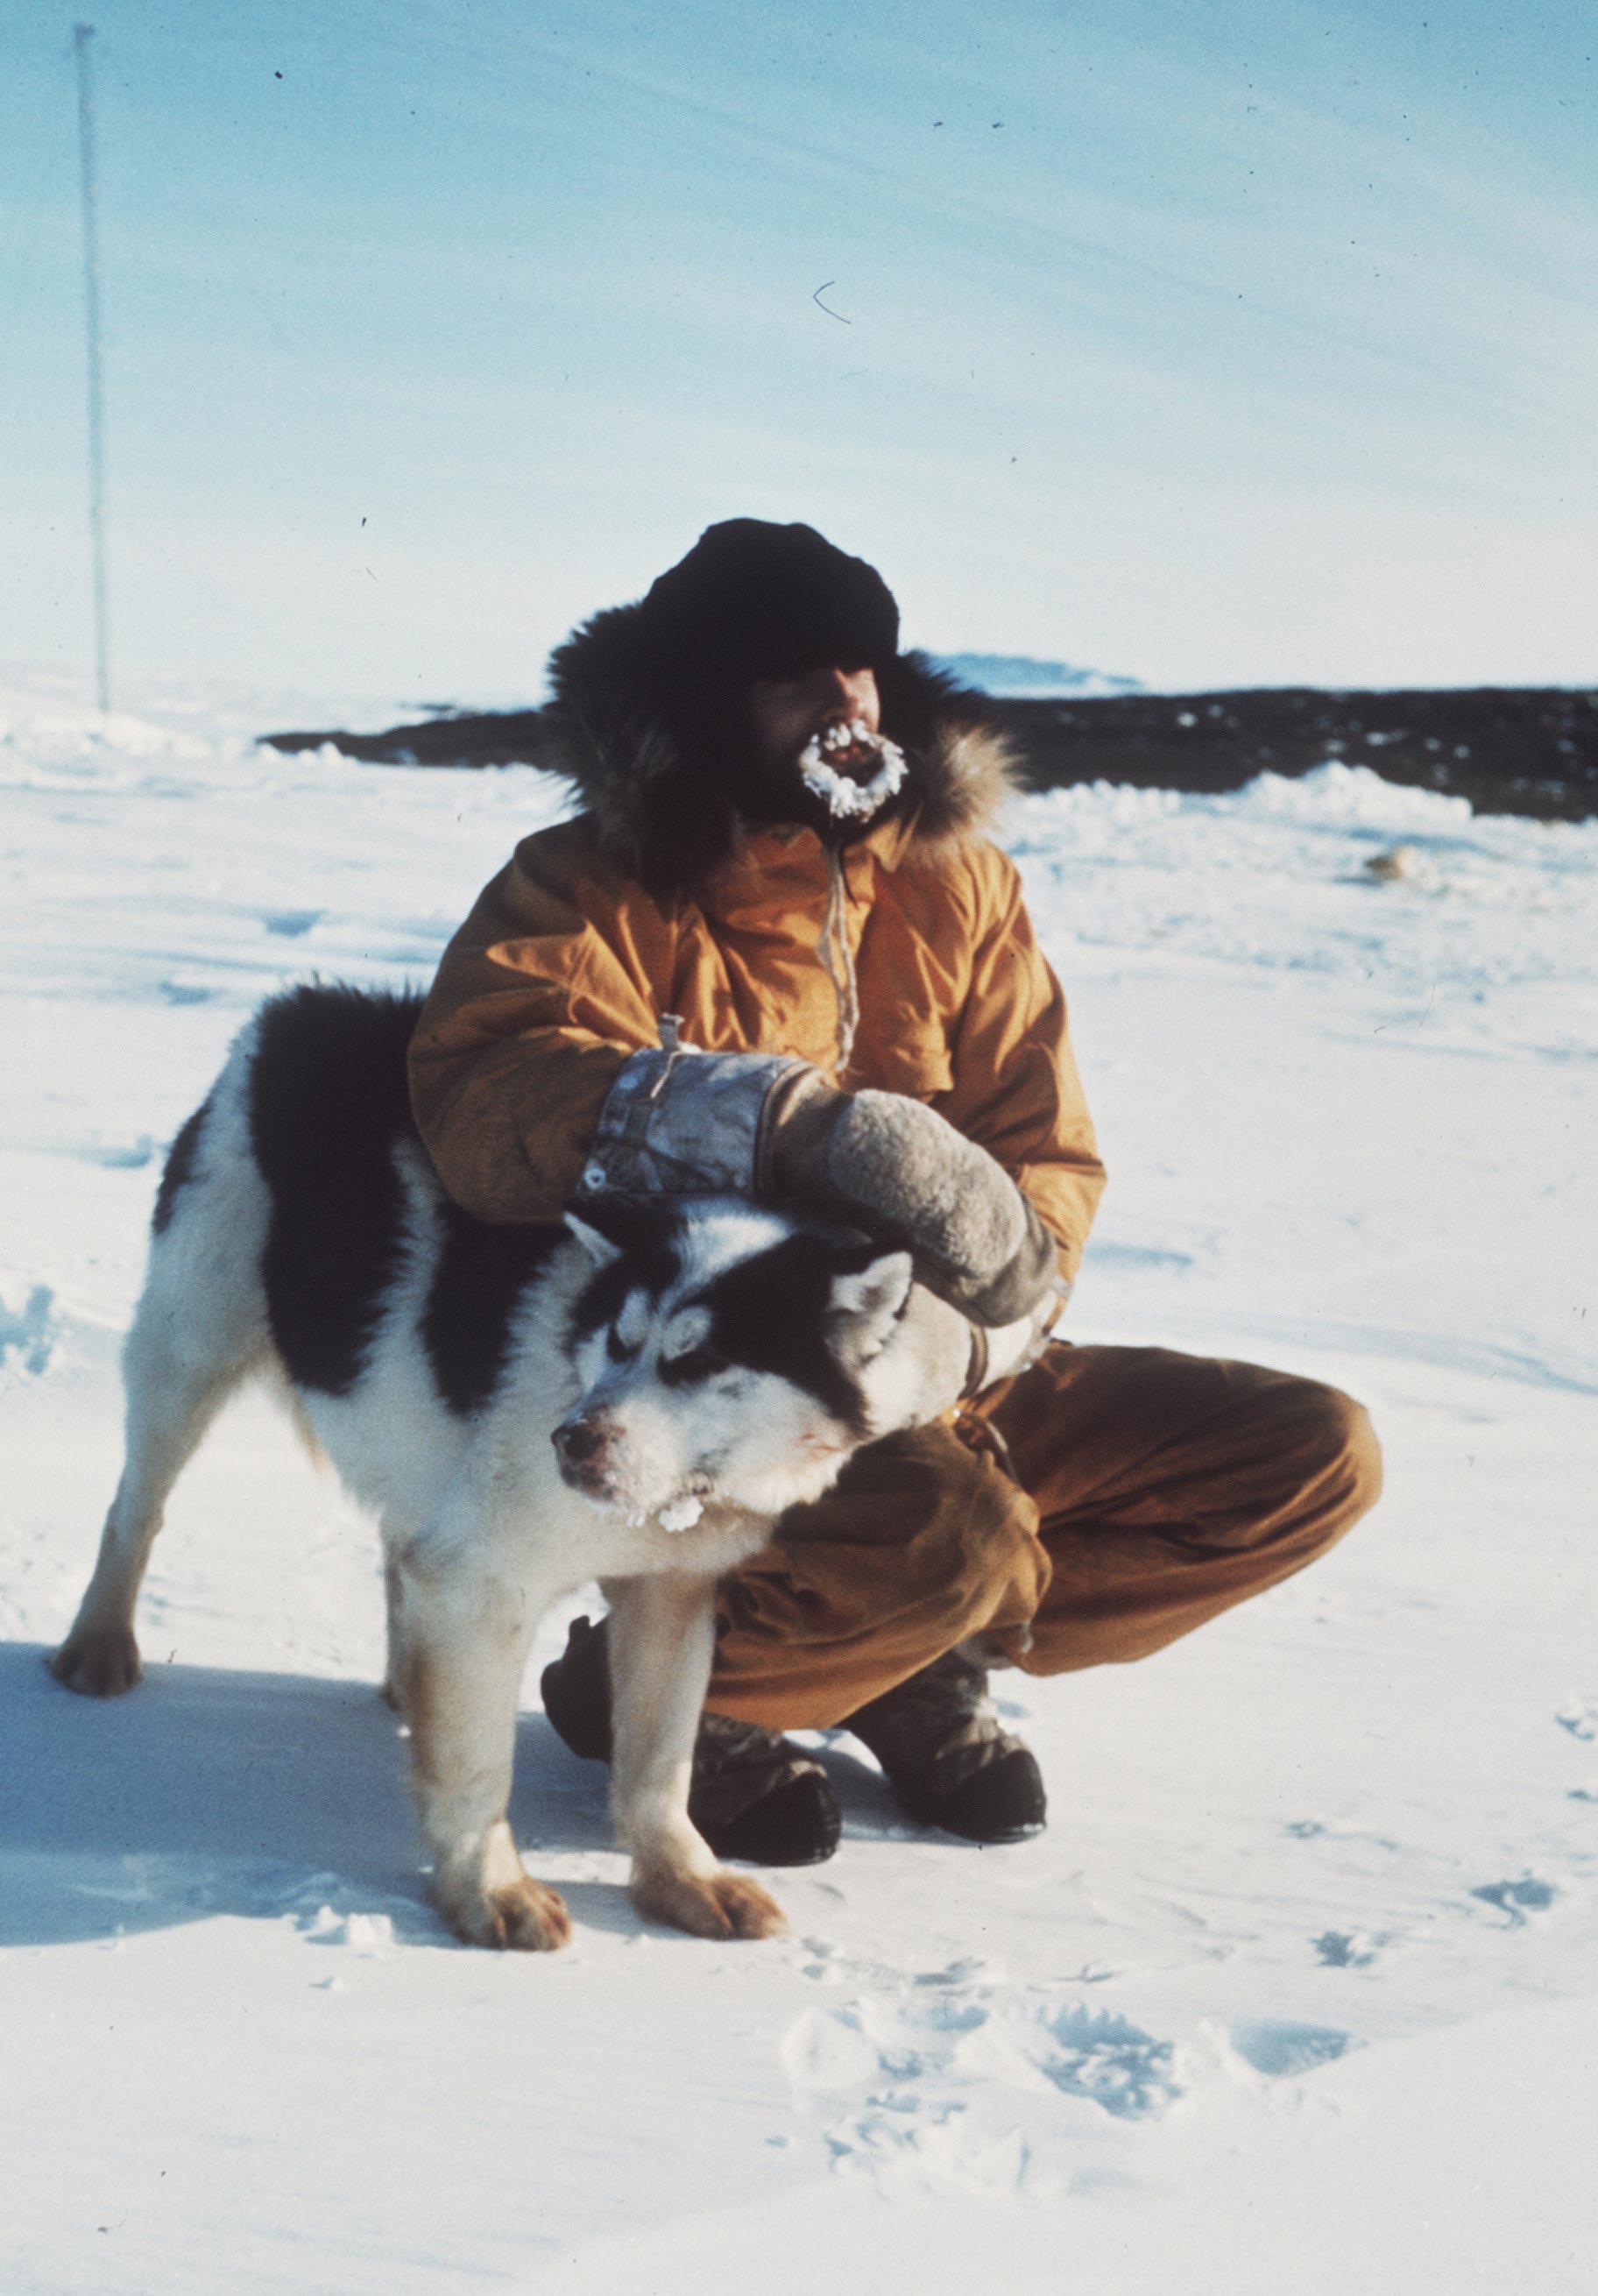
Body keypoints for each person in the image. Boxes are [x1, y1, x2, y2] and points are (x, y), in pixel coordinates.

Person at [407, 519, 1382, 1867]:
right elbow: (486, 1097)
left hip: (945, 1367)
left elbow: (1049, 1149)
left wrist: (976, 1328)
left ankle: (888, 1655)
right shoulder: (588, 888)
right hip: (725, 1389)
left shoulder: (959, 882)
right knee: (953, 1533)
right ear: (706, 701)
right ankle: (684, 1694)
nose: (847, 706)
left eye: (862, 670)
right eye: (797, 678)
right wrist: (771, 1120)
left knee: (1310, 1458)